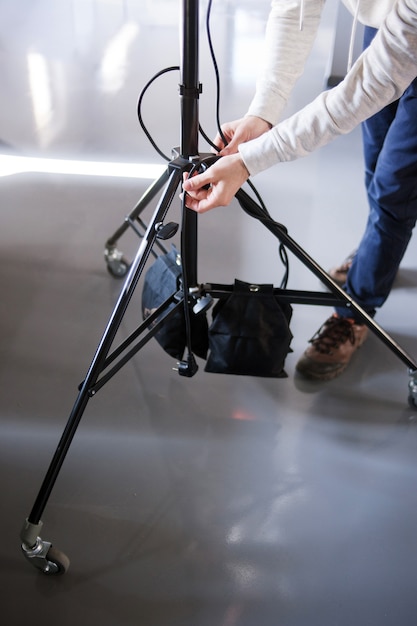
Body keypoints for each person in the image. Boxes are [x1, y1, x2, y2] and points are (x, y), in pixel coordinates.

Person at [182, 0, 417, 381]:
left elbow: (363, 91)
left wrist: (249, 161)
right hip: (387, 22)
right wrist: (263, 113)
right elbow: (294, 9)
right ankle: (378, 254)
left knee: (395, 191)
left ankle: (355, 311)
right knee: (377, 169)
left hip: (410, 26)